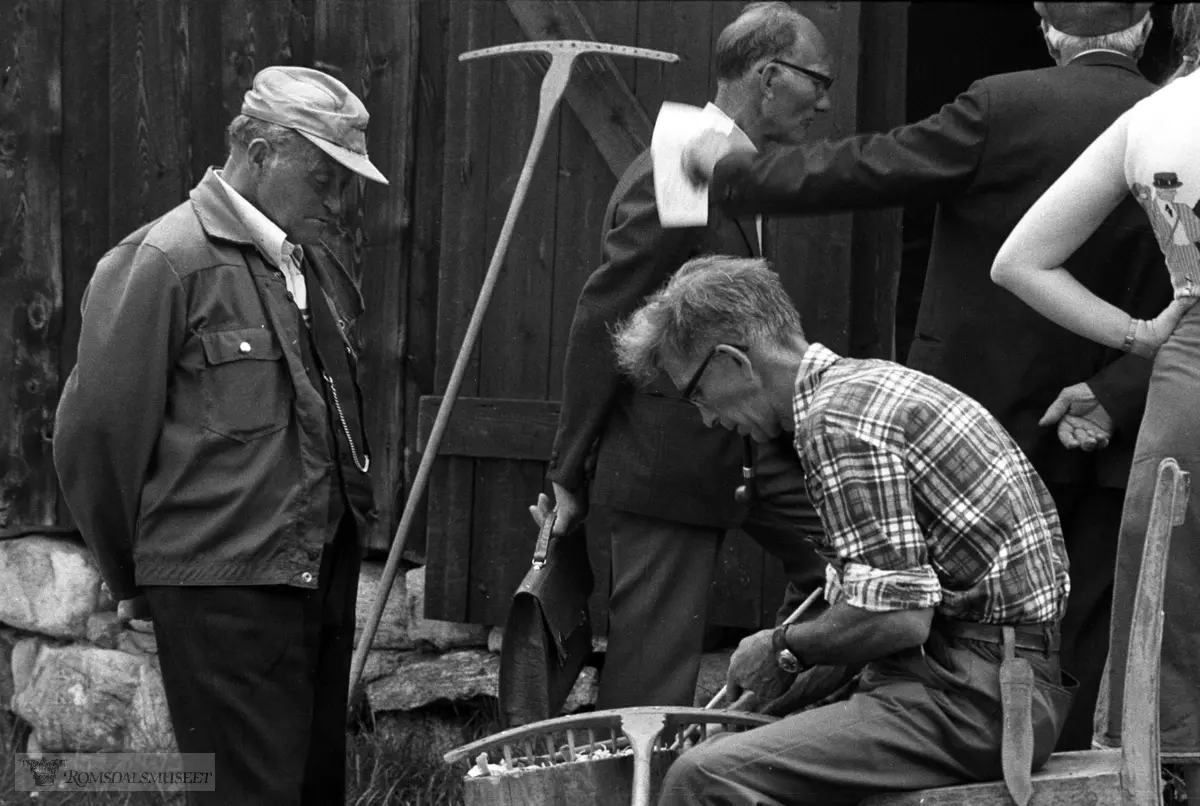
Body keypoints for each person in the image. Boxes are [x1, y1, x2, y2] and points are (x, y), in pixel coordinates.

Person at [680, 0, 1171, 750]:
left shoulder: (1001, 105)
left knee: (943, 629)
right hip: (1117, 431)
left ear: (1046, 30)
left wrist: (735, 173)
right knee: (1082, 643)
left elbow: (872, 167)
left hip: (975, 423)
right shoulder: (1173, 119)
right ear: (1142, 32)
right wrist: (1116, 394)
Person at [611, 255, 1073, 805]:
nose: (708, 419)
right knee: (740, 745)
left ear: (734, 362)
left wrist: (782, 647)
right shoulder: (858, 392)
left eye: (696, 395)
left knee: (704, 777)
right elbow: (882, 610)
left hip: (976, 703)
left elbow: (899, 620)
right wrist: (778, 690)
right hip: (975, 682)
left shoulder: (837, 422)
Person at [54, 66, 388, 805]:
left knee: (312, 787)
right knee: (249, 794)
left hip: (313, 576)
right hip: (222, 591)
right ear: (261, 152)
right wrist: (132, 580)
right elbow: (95, 440)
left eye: (347, 180)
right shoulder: (166, 260)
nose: (340, 200)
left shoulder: (304, 261)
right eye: (323, 176)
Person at [530, 2, 834, 709]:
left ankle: (763, 743)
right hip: (669, 457)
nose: (824, 102)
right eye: (816, 81)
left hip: (759, 446)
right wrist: (568, 468)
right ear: (767, 76)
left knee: (856, 576)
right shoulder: (683, 160)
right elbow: (606, 315)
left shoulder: (731, 164)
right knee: (649, 675)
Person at [991, 2, 1200, 790]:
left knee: (1170, 613)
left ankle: (1165, 779)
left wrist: (1141, 336)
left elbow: (1021, 261)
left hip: (1189, 381)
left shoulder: (1156, 117)